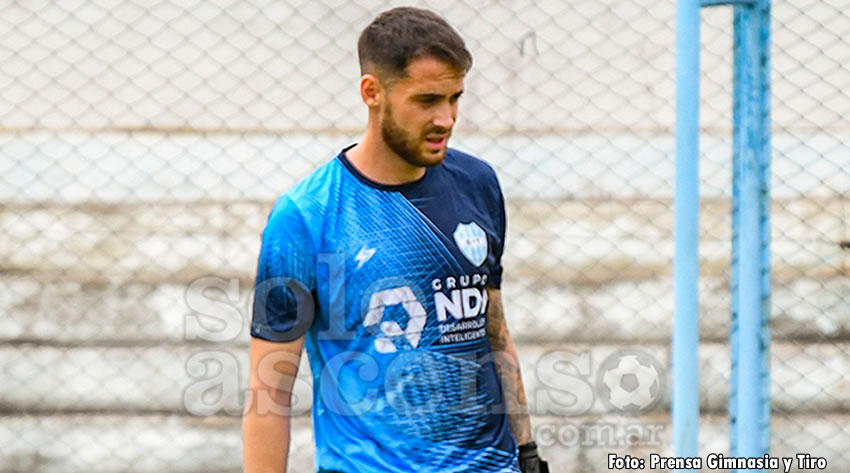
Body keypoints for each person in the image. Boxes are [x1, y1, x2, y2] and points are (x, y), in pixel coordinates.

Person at [242, 7, 549, 473]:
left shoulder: (477, 183)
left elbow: (494, 332)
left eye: (455, 98)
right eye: (427, 100)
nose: (446, 118)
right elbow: (270, 393)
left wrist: (527, 453)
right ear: (372, 92)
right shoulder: (307, 215)